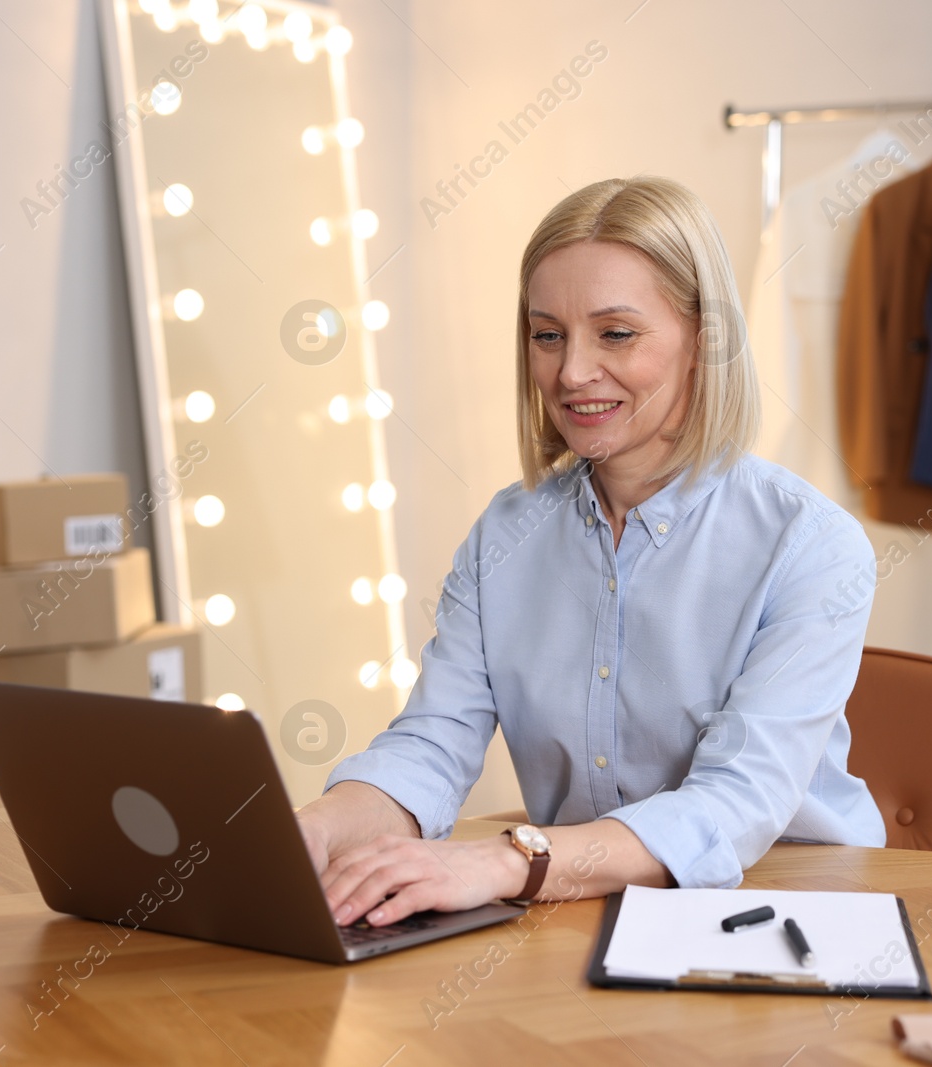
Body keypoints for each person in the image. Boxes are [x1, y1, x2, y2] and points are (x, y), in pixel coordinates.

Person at [298, 175, 884, 930]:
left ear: (705, 343)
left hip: (791, 911)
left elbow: (736, 802)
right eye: (548, 334)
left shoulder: (810, 544)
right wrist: (308, 833)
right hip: (581, 910)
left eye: (616, 333)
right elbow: (430, 747)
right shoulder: (504, 537)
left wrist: (510, 859)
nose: (572, 372)